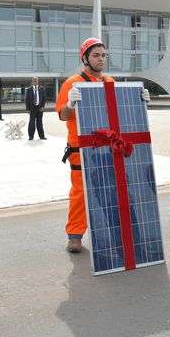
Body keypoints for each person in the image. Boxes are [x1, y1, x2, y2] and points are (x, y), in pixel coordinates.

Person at [55, 37, 150, 253]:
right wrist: (70, 103)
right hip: (82, 148)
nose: (101, 59)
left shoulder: (109, 82)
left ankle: (123, 233)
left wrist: (140, 101)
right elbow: (62, 115)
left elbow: (120, 112)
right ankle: (75, 235)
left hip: (108, 147)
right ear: (85, 58)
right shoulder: (72, 83)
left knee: (114, 190)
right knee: (80, 193)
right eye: (96, 55)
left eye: (103, 55)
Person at [25, 76, 47, 140]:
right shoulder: (29, 89)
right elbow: (27, 100)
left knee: (39, 123)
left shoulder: (42, 89)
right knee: (32, 123)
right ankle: (31, 136)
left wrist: (43, 106)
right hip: (32, 109)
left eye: (36, 80)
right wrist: (27, 109)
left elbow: (44, 99)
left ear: (38, 81)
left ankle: (42, 136)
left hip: (40, 108)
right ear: (32, 81)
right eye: (34, 80)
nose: (35, 81)